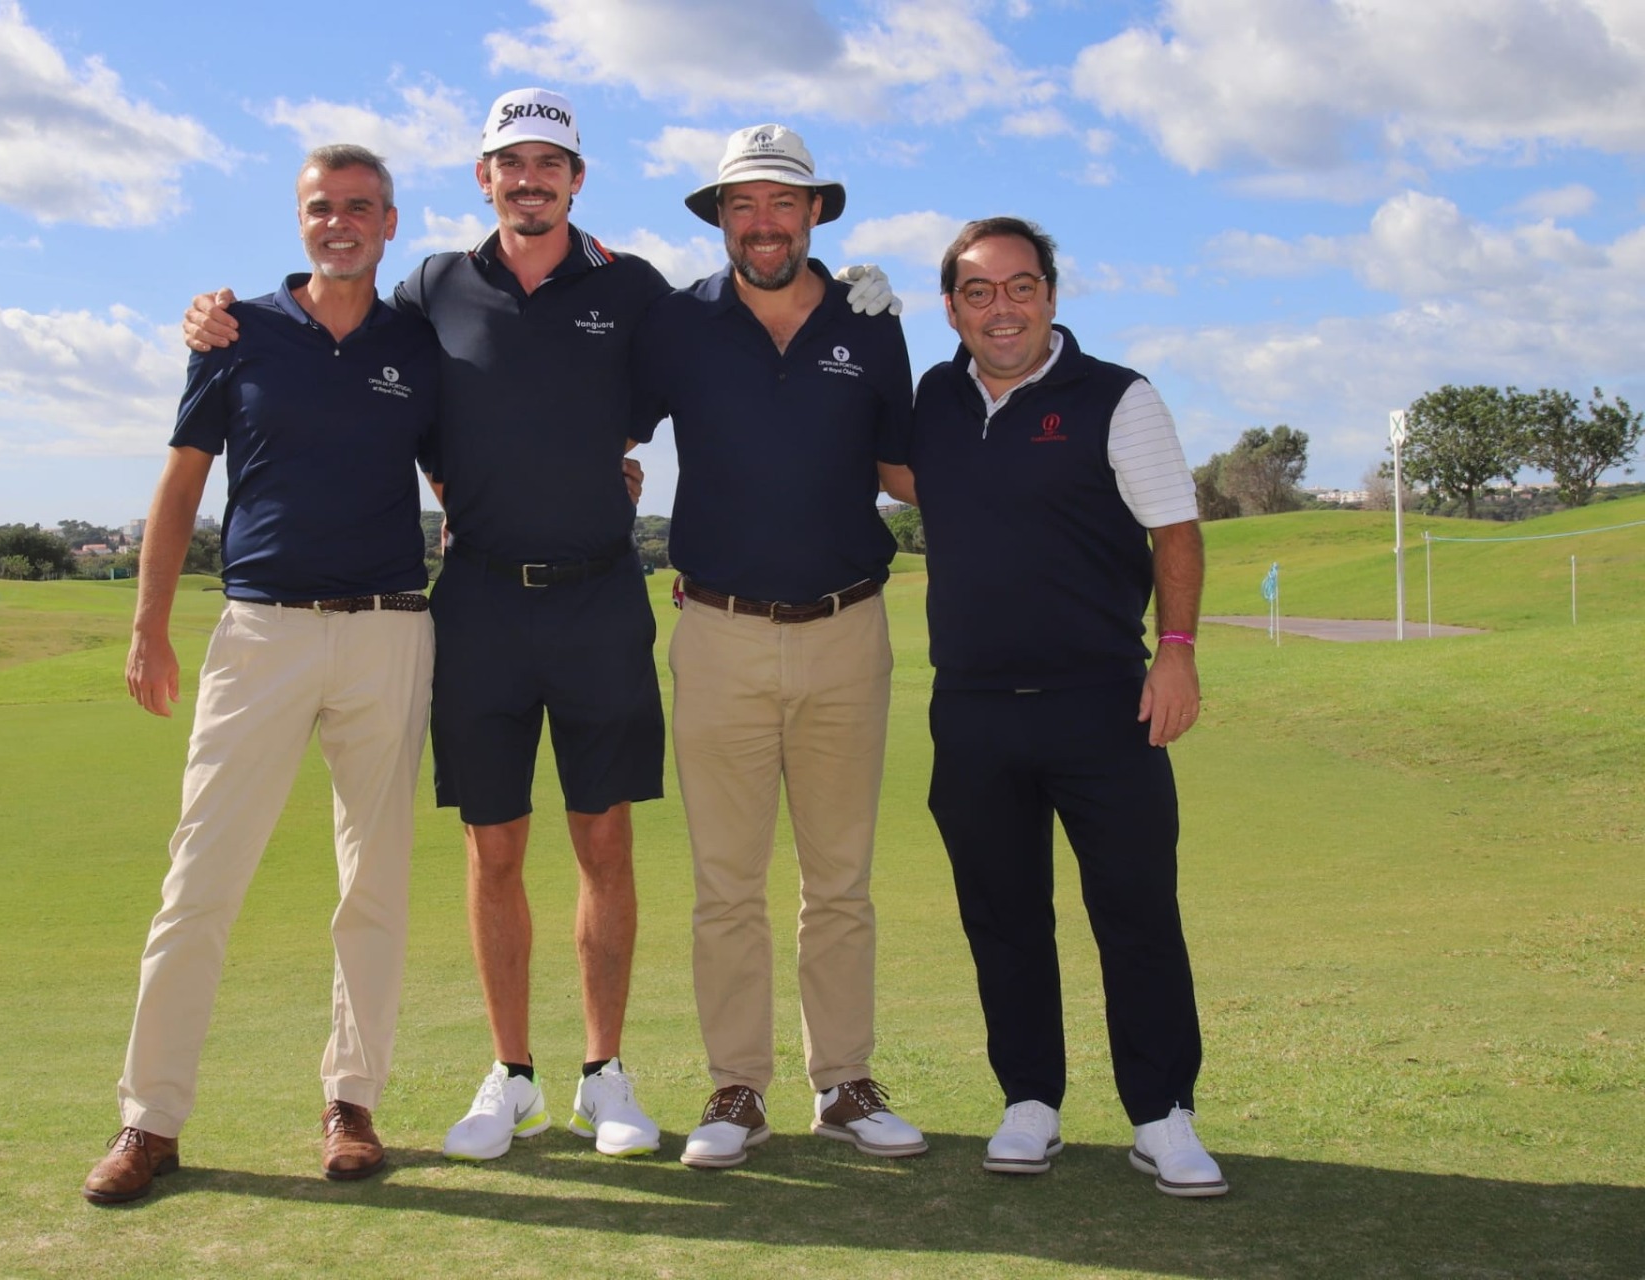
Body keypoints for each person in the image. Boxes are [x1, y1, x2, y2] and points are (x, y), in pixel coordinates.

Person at [183, 93, 899, 1164]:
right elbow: (371, 364)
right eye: (510, 163)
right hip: (477, 597)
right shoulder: (432, 285)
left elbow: (735, 342)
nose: (530, 179)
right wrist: (228, 317)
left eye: (549, 163)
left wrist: (848, 299)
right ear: (483, 178)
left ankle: (606, 1071)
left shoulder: (632, 290)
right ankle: (511, 1073)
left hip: (601, 592)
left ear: (577, 179)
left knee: (604, 838)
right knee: (493, 845)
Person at [82, 145, 438, 1204]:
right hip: (261, 631)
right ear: (301, 221)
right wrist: (148, 623)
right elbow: (183, 478)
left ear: (390, 222)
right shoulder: (236, 330)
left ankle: (352, 1103)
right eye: (323, 208)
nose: (342, 223)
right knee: (200, 878)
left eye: (361, 209)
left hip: (386, 630)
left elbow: (466, 471)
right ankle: (150, 1118)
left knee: (373, 882)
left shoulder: (418, 343)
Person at [892, 215, 1227, 1196]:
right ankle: (1030, 1100)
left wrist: (1176, 653)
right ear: (951, 306)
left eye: (1022, 286)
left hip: (1103, 704)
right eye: (980, 291)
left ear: (1052, 294)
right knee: (1004, 916)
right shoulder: (936, 397)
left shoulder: (1117, 395)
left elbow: (1176, 531)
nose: (1004, 308)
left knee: (1133, 912)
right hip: (975, 707)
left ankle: (1163, 1112)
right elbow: (892, 467)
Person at [634, 125, 925, 1170]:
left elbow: (906, 470)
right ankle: (737, 1086)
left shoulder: (869, 321)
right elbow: (597, 416)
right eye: (743, 205)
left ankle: (843, 1081)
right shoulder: (678, 323)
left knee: (840, 878)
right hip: (717, 632)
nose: (763, 223)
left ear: (815, 214)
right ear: (722, 218)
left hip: (850, 628)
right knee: (727, 882)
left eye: (783, 203)